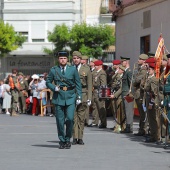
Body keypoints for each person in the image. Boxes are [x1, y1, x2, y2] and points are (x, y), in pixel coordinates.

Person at [46, 51, 82, 149]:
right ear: (58, 59)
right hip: (59, 97)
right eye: (61, 58)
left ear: (67, 59)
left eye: (65, 58)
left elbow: (78, 84)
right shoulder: (54, 70)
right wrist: (54, 88)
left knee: (70, 119)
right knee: (60, 121)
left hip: (70, 97)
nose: (63, 60)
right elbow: (48, 82)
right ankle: (62, 140)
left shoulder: (72, 70)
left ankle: (68, 138)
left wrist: (79, 97)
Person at [72, 52, 92, 145]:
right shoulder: (70, 69)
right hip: (72, 95)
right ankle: (74, 137)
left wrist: (89, 98)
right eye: (74, 58)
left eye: (77, 58)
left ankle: (80, 137)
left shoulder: (86, 69)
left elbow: (89, 84)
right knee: (73, 118)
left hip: (83, 94)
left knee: (81, 117)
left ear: (81, 59)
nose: (75, 60)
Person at [89, 60, 107, 128]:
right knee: (95, 108)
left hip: (99, 91)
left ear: (100, 66)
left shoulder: (102, 73)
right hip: (95, 91)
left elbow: (103, 84)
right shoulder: (96, 72)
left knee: (101, 108)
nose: (95, 67)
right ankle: (95, 122)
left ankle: (103, 122)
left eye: (96, 65)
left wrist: (102, 94)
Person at [133, 54, 148, 136]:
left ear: (144, 60)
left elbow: (138, 80)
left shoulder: (143, 70)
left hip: (140, 93)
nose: (138, 60)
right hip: (138, 93)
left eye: (140, 59)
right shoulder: (141, 69)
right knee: (141, 113)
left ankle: (143, 130)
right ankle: (141, 129)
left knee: (143, 113)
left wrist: (134, 83)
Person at [144, 63, 159, 142]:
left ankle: (155, 136)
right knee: (150, 119)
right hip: (148, 99)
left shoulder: (153, 79)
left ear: (153, 70)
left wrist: (151, 103)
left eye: (149, 69)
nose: (148, 70)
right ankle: (153, 135)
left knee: (152, 119)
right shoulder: (149, 78)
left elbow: (153, 93)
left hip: (151, 100)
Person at [119, 56, 134, 133]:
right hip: (124, 94)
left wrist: (130, 94)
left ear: (126, 62)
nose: (121, 63)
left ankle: (129, 127)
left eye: (122, 62)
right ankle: (127, 126)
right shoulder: (126, 71)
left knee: (129, 112)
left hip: (128, 94)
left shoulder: (129, 71)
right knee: (126, 111)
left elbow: (131, 83)